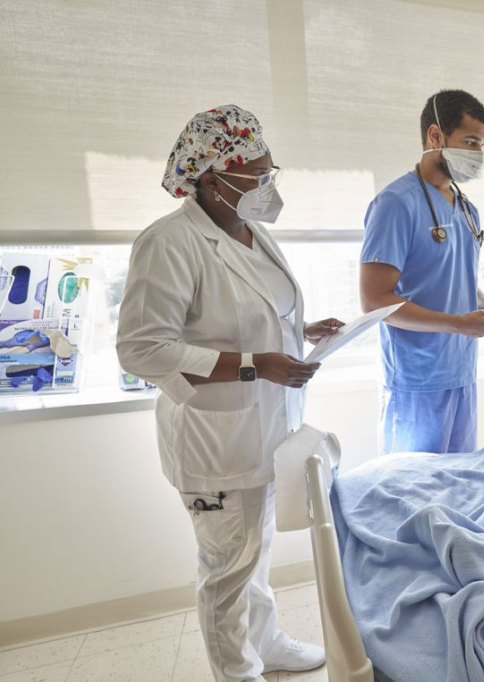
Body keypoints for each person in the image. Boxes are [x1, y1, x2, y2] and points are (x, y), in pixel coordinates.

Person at [117, 105, 340, 682]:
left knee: (254, 553)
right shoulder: (169, 243)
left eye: (271, 173)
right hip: (216, 439)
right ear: (212, 179)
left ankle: (266, 645)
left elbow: (245, 313)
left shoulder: (250, 231)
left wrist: (300, 331)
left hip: (267, 431)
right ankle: (236, 672)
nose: (268, 187)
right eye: (256, 177)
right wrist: (253, 365)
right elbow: (142, 350)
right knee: (227, 567)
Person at [360, 89, 484, 454]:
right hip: (417, 380)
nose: (477, 154)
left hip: (461, 372)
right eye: (470, 141)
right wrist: (459, 324)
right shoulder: (396, 204)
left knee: (456, 488)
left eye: (483, 144)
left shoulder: (467, 209)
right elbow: (375, 301)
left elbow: (455, 278)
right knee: (412, 492)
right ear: (435, 136)